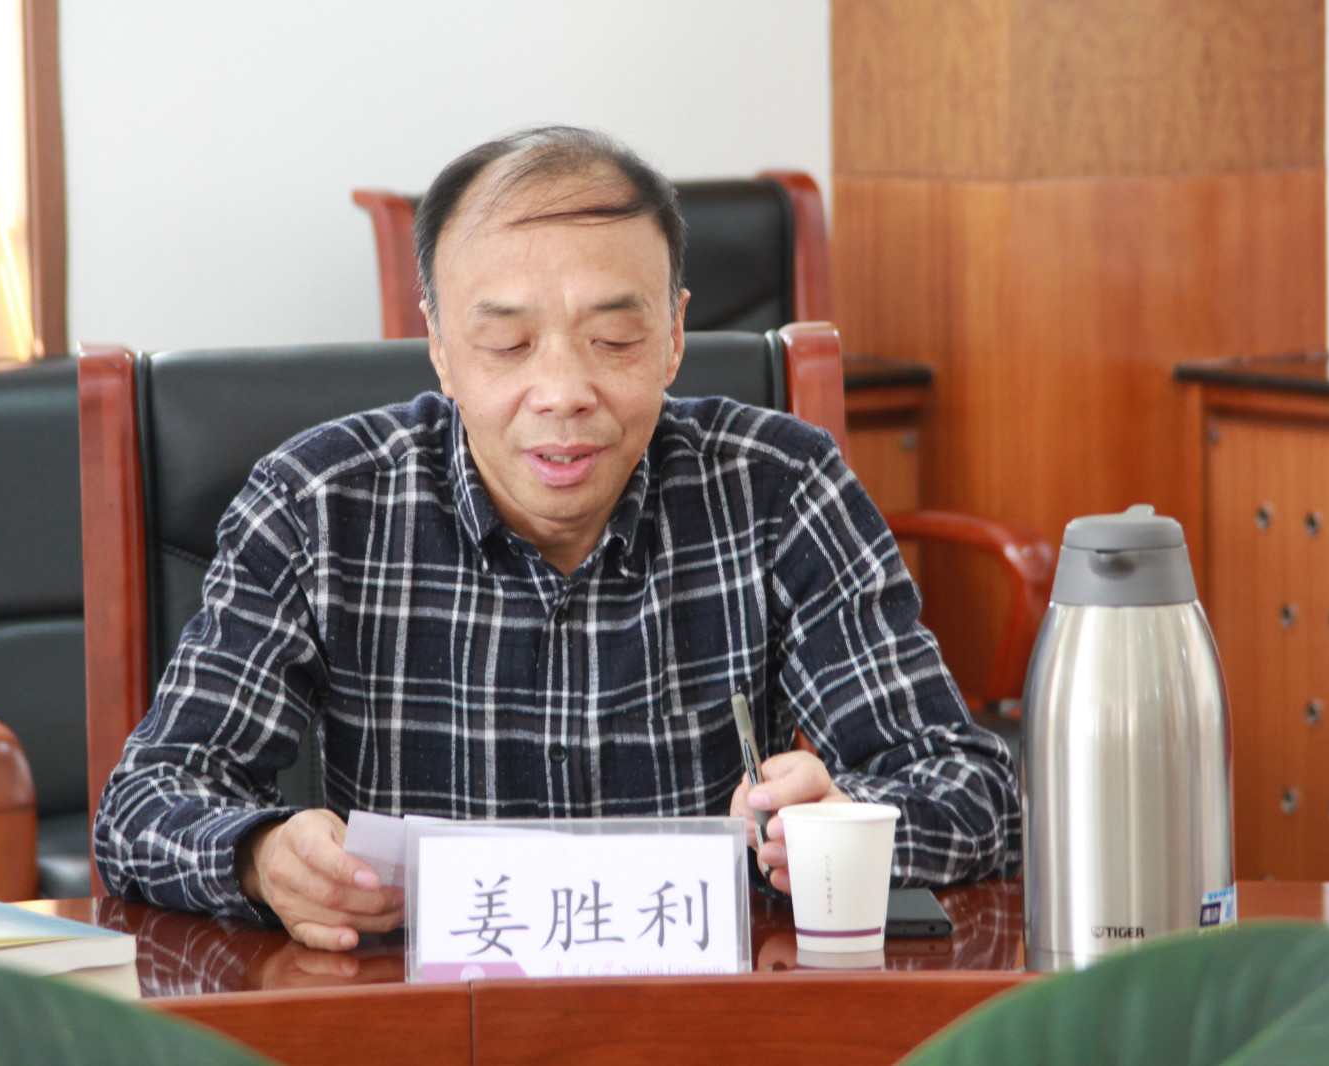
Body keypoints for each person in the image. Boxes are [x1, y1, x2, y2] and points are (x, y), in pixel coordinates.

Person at [94, 126, 1020, 951]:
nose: (564, 393)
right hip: (425, 1028)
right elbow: (145, 802)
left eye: (614, 340)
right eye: (508, 346)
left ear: (675, 335)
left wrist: (847, 823)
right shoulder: (317, 505)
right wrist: (259, 856)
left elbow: (974, 790)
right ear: (440, 346)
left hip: (701, 1023)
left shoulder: (778, 487)